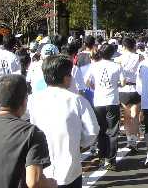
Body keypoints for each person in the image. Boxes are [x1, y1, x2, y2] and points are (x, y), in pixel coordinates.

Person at [29, 55, 99, 188]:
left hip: (40, 168)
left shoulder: (33, 99)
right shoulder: (77, 100)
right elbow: (92, 131)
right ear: (66, 78)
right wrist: (79, 143)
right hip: (70, 168)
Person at [85, 44, 122, 171]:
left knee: (101, 130)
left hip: (98, 101)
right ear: (112, 54)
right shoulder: (117, 66)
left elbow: (87, 81)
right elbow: (122, 82)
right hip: (112, 101)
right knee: (112, 131)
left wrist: (95, 87)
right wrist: (115, 84)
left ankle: (102, 157)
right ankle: (111, 161)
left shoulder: (94, 65)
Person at [114, 37, 142, 154]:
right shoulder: (140, 57)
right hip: (136, 88)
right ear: (134, 46)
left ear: (124, 46)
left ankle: (129, 139)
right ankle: (134, 140)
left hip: (123, 89)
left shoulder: (118, 59)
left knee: (126, 116)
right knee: (135, 116)